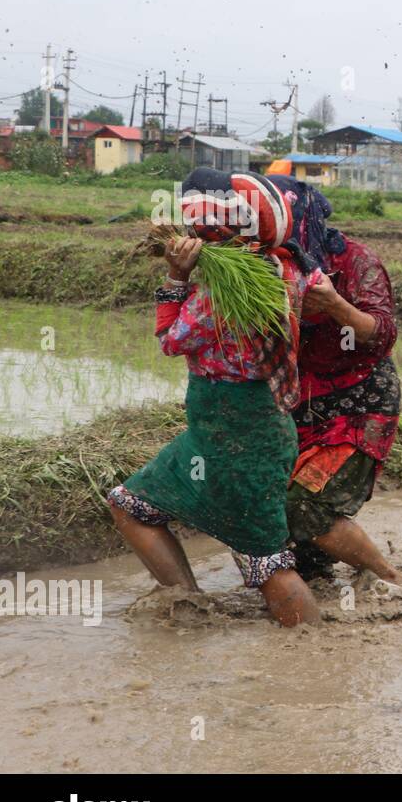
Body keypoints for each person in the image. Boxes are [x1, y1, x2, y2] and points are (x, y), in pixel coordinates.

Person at [107, 169, 321, 627]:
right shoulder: (287, 266)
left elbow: (170, 338)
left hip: (235, 436)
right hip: (247, 430)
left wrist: (175, 277)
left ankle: (314, 656)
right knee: (132, 503)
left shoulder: (225, 294)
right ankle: (188, 606)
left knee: (264, 561)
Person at [266, 174, 402, 587]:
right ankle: (314, 591)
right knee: (290, 530)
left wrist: (335, 304)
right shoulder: (263, 264)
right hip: (298, 406)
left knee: (306, 505)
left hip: (359, 405)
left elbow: (381, 333)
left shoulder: (354, 262)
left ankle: (388, 580)